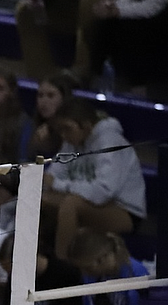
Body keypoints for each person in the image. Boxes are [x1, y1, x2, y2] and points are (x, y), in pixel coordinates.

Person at [43, 99, 146, 261]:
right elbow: (51, 176)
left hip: (123, 210)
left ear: (86, 125)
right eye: (60, 130)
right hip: (91, 204)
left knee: (70, 205)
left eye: (67, 129)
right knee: (43, 200)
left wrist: (58, 185)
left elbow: (103, 192)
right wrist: (54, 183)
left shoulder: (110, 141)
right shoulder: (70, 142)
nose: (64, 135)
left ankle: (63, 268)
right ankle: (38, 258)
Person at [27, 70, 78, 159]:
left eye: (50, 96)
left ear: (64, 98)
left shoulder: (73, 129)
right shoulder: (31, 127)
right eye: (40, 95)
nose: (44, 102)